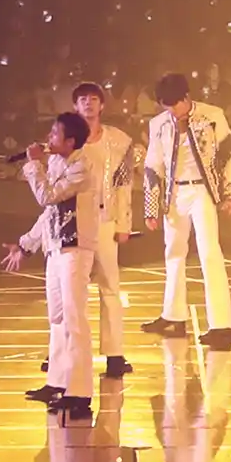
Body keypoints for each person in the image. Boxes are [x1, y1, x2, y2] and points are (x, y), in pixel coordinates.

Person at [3, 110, 98, 421]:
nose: (48, 138)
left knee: (74, 318)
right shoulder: (57, 162)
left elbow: (47, 196)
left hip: (75, 248)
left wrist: (33, 165)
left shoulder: (83, 166)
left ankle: (80, 392)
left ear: (71, 141)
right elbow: (48, 215)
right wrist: (26, 244)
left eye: (55, 133)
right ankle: (57, 381)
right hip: (55, 248)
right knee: (57, 318)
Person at [141, 72, 231, 350]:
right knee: (173, 251)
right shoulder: (159, 124)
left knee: (209, 253)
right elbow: (153, 165)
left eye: (175, 104)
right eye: (166, 106)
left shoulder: (212, 116)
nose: (172, 111)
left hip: (202, 191)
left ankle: (221, 325)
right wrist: (151, 206)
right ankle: (173, 315)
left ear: (186, 97)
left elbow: (228, 154)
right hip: (174, 193)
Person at [71, 82, 135, 378]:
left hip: (105, 219)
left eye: (94, 99)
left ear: (102, 105)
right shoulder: (66, 139)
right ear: (75, 105)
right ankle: (64, 350)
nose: (88, 103)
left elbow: (124, 184)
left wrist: (124, 223)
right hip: (73, 221)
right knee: (71, 288)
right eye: (83, 99)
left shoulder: (118, 141)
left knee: (110, 285)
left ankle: (115, 353)